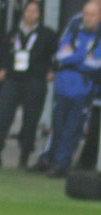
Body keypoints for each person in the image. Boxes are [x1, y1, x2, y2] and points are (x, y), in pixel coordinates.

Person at [0, 1, 57, 169]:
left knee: (30, 119)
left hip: (35, 80)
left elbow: (55, 55)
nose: (30, 14)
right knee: (2, 116)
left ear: (39, 14)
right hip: (13, 79)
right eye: (28, 10)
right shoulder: (13, 32)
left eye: (34, 11)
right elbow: (4, 52)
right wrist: (3, 68)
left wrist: (51, 70)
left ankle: (24, 156)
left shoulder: (47, 34)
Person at [42, 1, 101, 178]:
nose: (88, 19)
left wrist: (73, 55)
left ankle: (62, 164)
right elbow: (61, 54)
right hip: (63, 87)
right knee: (58, 126)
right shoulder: (74, 30)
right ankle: (52, 161)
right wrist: (82, 55)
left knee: (73, 129)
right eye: (86, 14)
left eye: (92, 15)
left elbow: (95, 63)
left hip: (84, 90)